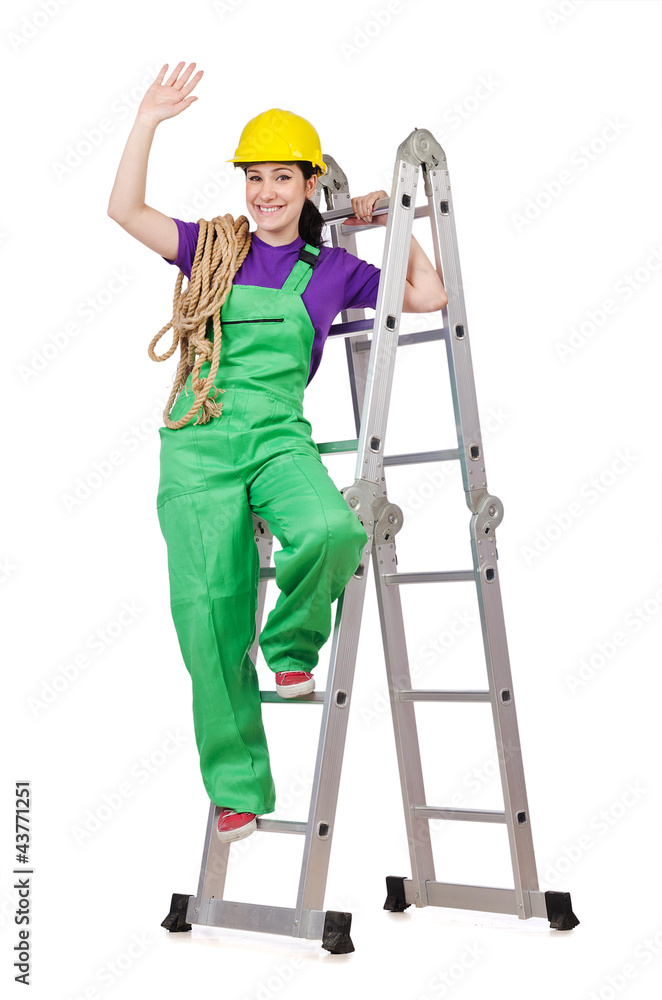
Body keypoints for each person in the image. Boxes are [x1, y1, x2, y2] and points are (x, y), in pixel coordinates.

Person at [107, 62, 447, 845]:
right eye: (254, 177)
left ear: (308, 183)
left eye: (282, 178)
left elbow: (428, 296)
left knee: (332, 529)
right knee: (208, 618)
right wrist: (147, 119)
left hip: (275, 439)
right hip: (196, 444)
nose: (264, 193)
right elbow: (124, 210)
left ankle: (291, 644)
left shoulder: (332, 270)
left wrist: (395, 222)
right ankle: (236, 789)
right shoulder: (212, 249)